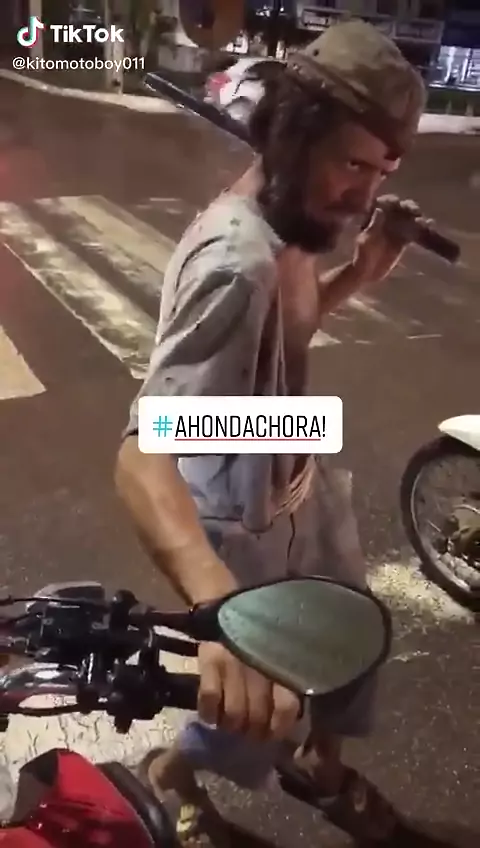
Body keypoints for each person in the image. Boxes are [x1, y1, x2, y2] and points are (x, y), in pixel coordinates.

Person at [115, 19, 430, 846]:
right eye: (353, 165)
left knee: (347, 642)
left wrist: (360, 273)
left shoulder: (289, 224)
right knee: (257, 697)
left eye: (382, 171)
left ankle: (320, 766)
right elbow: (144, 452)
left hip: (296, 480)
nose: (364, 196)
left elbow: (278, 341)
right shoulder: (236, 263)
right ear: (294, 135)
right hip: (242, 515)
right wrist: (218, 608)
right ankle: (171, 776)